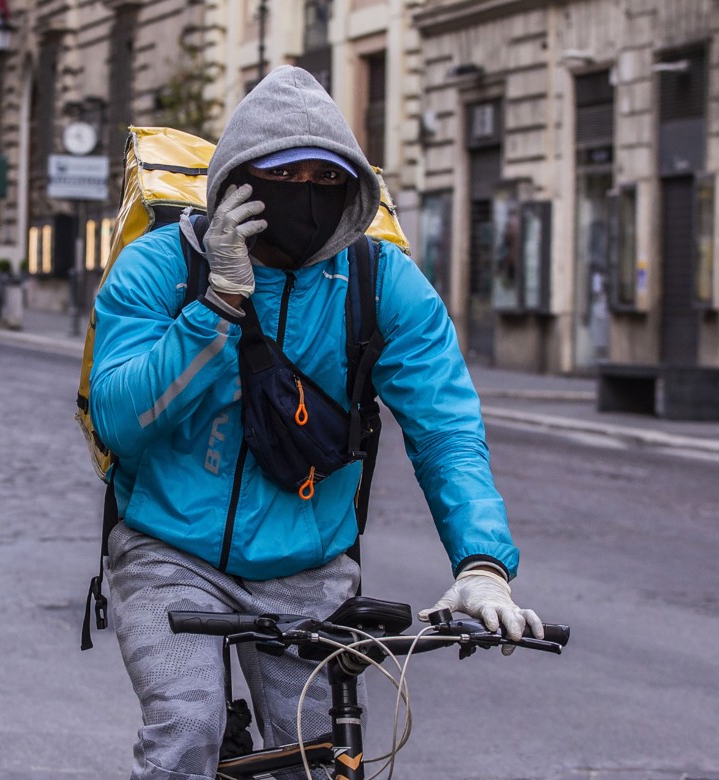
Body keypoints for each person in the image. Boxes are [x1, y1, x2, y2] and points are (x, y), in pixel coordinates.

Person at [88, 65, 544, 780]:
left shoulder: (380, 282)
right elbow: (120, 420)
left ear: (353, 190)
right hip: (168, 549)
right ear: (237, 181)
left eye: (325, 180)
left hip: (309, 563)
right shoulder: (159, 268)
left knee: (320, 755)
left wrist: (483, 564)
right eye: (282, 174)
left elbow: (445, 427)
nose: (304, 194)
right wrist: (218, 306)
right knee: (188, 726)